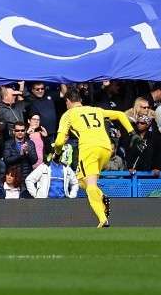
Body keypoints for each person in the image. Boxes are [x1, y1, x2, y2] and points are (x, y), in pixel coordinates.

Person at [52, 88, 133, 227]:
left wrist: (57, 153)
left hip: (89, 148)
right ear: (80, 100)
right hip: (106, 148)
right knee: (80, 179)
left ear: (67, 101)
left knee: (90, 185)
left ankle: (103, 219)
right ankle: (101, 196)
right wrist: (131, 132)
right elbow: (120, 114)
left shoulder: (68, 114)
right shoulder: (96, 110)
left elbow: (59, 142)